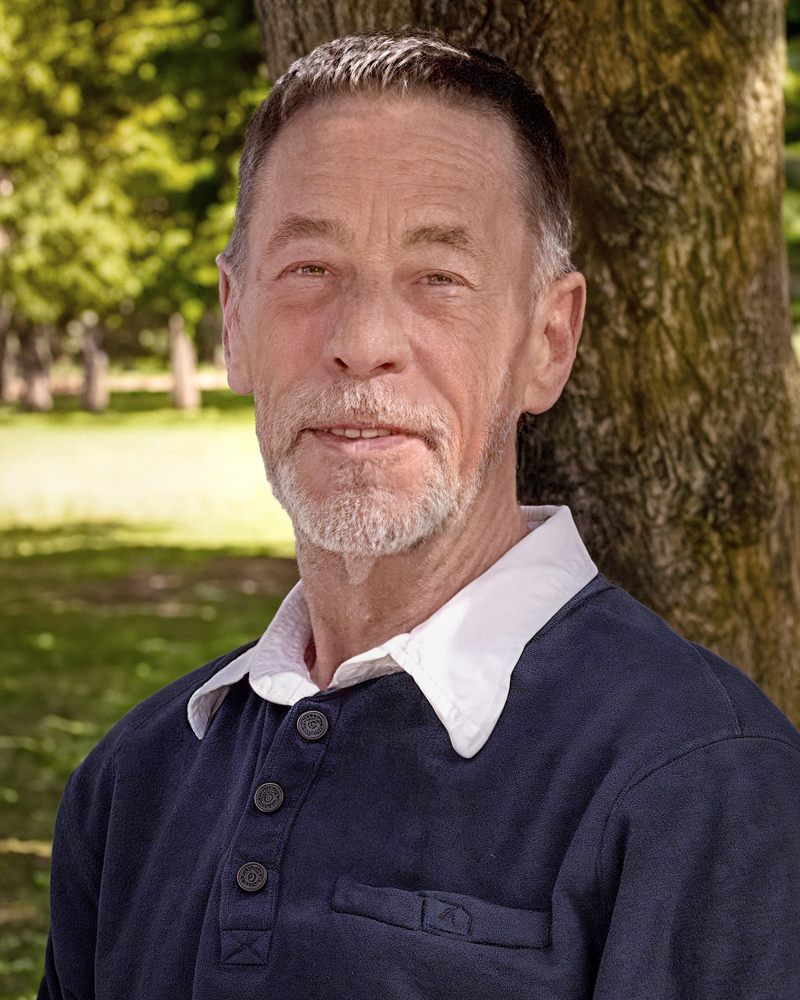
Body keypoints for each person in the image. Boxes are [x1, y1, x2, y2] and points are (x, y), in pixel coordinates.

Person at [40, 29, 800, 1000]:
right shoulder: (131, 784)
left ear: (548, 340)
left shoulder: (704, 784)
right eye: (308, 269)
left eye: (438, 277)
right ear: (233, 321)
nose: (361, 341)